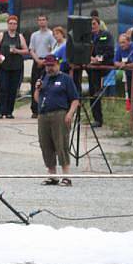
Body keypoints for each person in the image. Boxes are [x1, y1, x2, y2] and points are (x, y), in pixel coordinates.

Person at [35, 54, 80, 186]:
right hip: (43, 114)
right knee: (45, 144)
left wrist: (70, 114)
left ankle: (66, 175)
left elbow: (75, 99)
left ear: (58, 65)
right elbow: (37, 99)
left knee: (61, 144)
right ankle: (52, 174)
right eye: (47, 66)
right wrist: (37, 89)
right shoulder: (44, 78)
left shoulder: (65, 79)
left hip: (59, 114)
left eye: (52, 66)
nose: (50, 68)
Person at [0, 15, 29, 119]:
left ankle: (9, 111)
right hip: (4, 66)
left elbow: (26, 50)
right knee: (3, 88)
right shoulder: (2, 35)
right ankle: (0, 111)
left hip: (16, 66)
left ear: (17, 25)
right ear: (7, 24)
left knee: (13, 89)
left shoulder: (20, 37)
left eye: (14, 23)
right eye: (10, 23)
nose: (12, 25)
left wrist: (17, 51)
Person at [88, 16, 115, 128]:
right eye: (91, 24)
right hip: (92, 68)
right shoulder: (88, 37)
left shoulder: (106, 35)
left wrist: (98, 59)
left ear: (99, 24)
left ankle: (99, 119)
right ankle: (97, 119)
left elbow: (109, 51)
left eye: (94, 24)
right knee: (92, 93)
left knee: (96, 91)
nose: (92, 26)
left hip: (104, 65)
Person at [29, 14, 56, 118]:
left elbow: (54, 49)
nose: (42, 22)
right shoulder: (34, 35)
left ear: (47, 21)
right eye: (39, 20)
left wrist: (45, 61)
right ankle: (35, 109)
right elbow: (31, 49)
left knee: (46, 85)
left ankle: (45, 107)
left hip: (47, 62)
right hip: (37, 61)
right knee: (35, 85)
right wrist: (37, 60)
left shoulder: (51, 34)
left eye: (43, 20)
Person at [114, 32, 133, 117]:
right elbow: (115, 62)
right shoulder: (119, 48)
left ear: (129, 41)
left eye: (123, 42)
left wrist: (125, 65)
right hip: (128, 75)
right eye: (120, 42)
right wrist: (120, 64)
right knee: (130, 96)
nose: (121, 45)